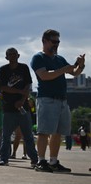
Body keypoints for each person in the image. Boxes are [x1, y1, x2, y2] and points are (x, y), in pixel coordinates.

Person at [31, 29, 85, 173]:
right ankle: (41, 161)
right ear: (44, 41)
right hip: (46, 99)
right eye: (53, 41)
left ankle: (53, 161)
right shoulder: (38, 58)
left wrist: (81, 65)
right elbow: (44, 76)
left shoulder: (59, 59)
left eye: (58, 42)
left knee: (57, 132)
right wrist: (63, 70)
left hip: (61, 100)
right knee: (43, 131)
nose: (56, 44)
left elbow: (74, 72)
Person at [0, 48, 38, 167]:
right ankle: (4, 158)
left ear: (18, 55)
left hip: (23, 107)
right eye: (10, 54)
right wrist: (19, 91)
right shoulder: (3, 70)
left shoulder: (24, 68)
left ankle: (34, 159)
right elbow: (3, 87)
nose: (12, 56)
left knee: (28, 135)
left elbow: (28, 84)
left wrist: (21, 100)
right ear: (6, 57)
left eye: (14, 54)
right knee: (6, 136)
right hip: (9, 108)